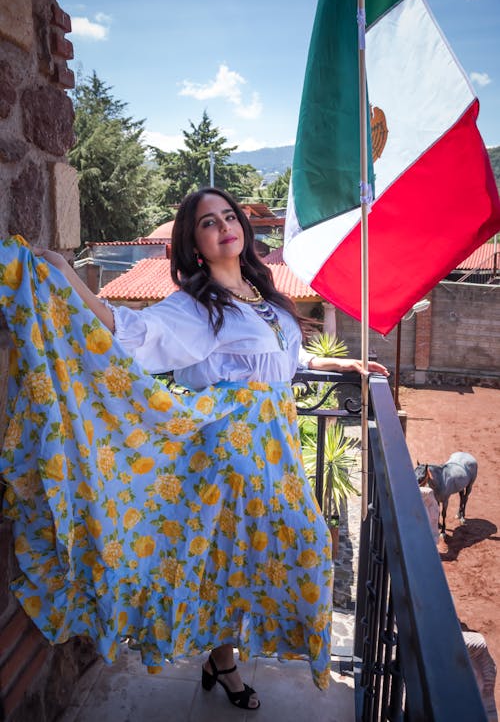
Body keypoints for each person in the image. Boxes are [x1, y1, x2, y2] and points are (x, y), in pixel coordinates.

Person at [1, 188, 387, 711]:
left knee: (253, 556)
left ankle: (219, 659)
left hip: (277, 451)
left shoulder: (263, 292)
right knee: (279, 549)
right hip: (227, 455)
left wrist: (339, 366)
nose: (226, 226)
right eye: (210, 222)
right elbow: (132, 332)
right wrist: (68, 278)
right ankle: (223, 663)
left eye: (230, 216)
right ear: (195, 243)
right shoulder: (197, 307)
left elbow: (278, 360)